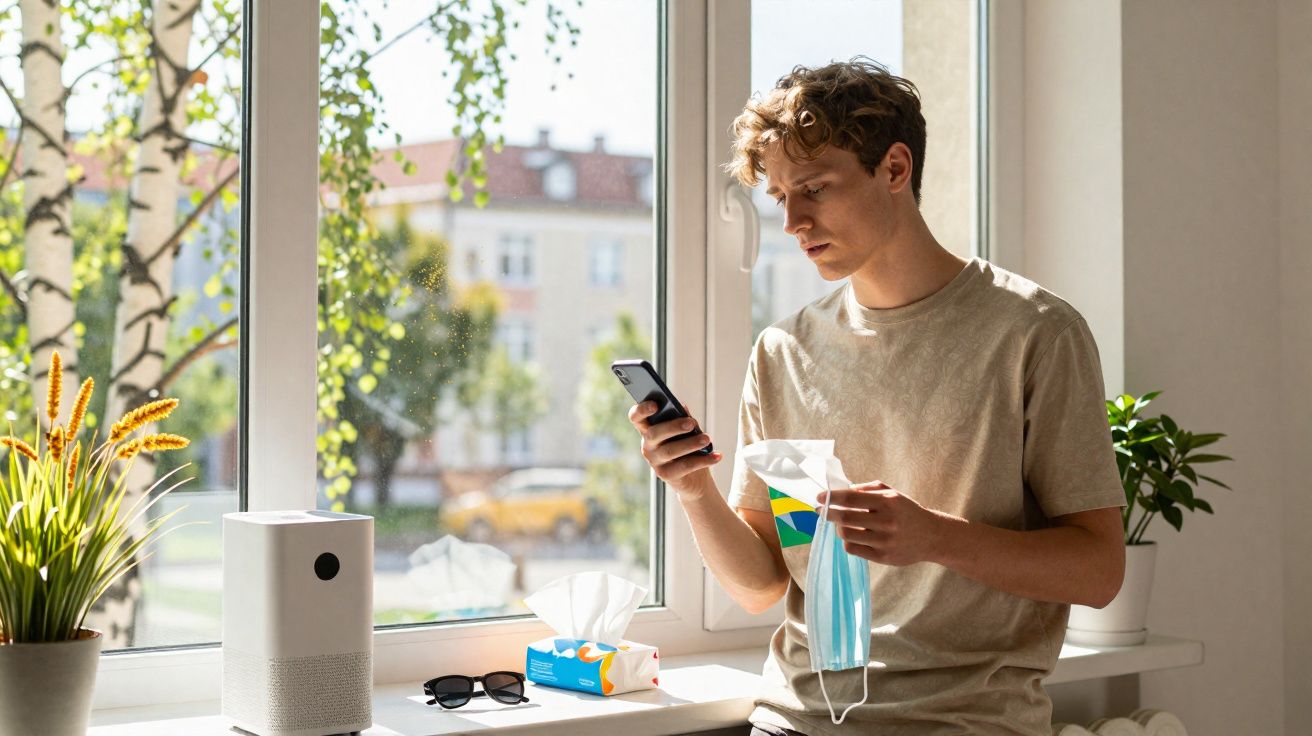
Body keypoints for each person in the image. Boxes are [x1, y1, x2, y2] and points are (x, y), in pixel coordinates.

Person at [627, 58, 1127, 736]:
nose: (793, 222)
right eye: (779, 197)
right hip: (796, 721)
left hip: (965, 722)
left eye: (815, 188)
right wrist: (691, 489)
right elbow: (763, 585)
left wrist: (933, 537)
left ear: (894, 169)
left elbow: (1098, 571)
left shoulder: (1034, 333)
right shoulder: (784, 353)